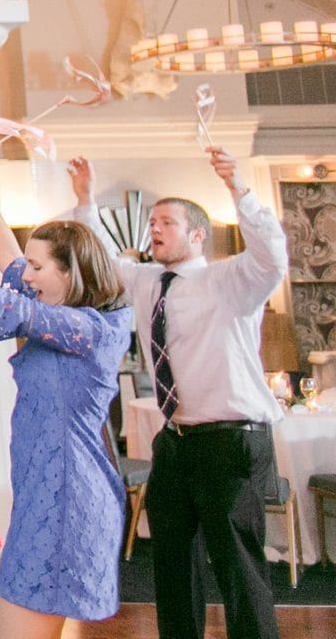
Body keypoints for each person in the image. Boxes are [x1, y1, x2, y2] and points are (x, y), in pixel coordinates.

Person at [0, 145, 130, 639]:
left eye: (36, 268)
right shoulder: (49, 300)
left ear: (70, 272)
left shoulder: (86, 327)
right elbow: (2, 253)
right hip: (44, 488)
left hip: (69, 495)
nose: (24, 276)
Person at [70, 149, 287, 639]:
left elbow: (273, 255)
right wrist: (85, 200)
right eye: (152, 222)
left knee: (238, 567)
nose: (155, 229)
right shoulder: (147, 282)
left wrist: (240, 191)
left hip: (231, 442)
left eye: (166, 221)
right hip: (175, 441)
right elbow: (102, 256)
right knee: (169, 562)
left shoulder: (230, 280)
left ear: (196, 235)